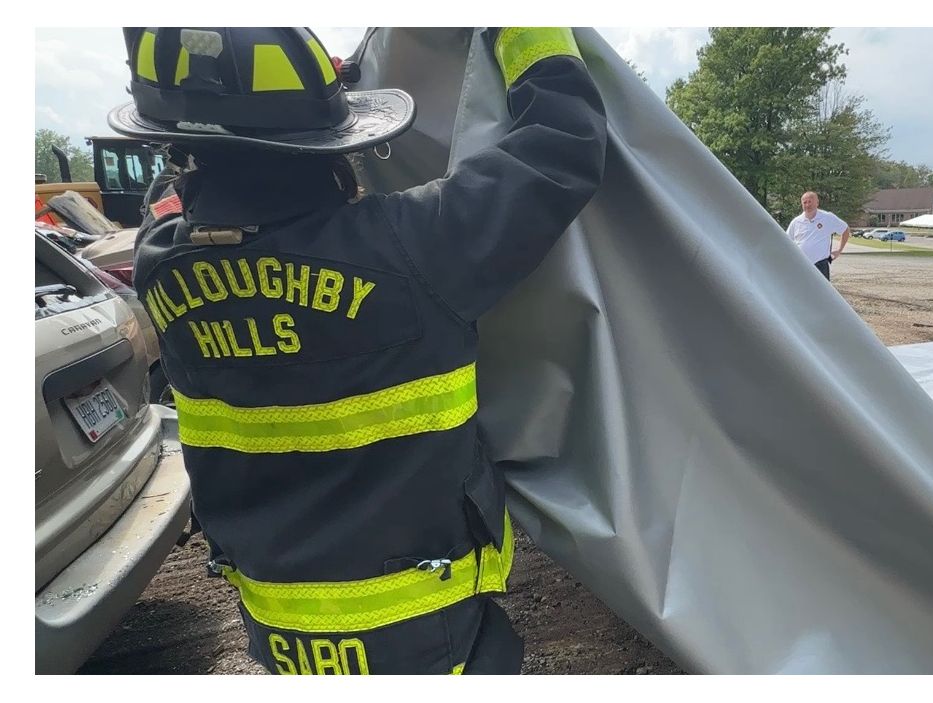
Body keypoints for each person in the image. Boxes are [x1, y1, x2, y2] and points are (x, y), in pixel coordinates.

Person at [108, 26, 606, 675]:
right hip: (431, 638)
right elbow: (562, 144)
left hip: (281, 638)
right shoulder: (414, 248)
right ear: (329, 146)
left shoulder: (159, 266)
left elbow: (168, 205)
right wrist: (526, 28)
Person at [786, 191, 850, 280]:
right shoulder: (796, 222)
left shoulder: (827, 217)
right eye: (805, 202)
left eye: (810, 201)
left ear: (817, 203)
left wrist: (839, 250)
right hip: (800, 264)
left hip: (820, 265)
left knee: (822, 289)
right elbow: (787, 241)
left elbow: (845, 230)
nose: (807, 205)